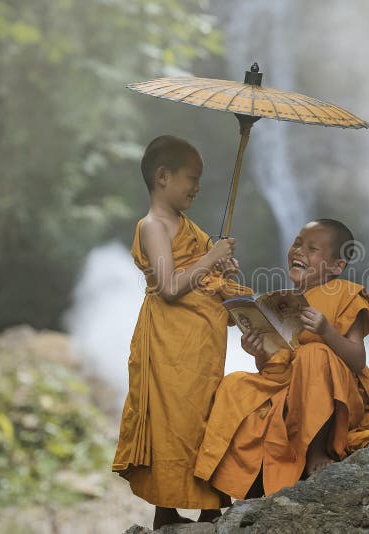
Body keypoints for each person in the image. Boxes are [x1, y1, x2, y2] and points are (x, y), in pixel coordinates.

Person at [195, 219, 369, 499]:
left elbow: (357, 360)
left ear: (336, 266)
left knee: (315, 352)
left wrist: (326, 330)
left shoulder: (347, 293)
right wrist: (259, 350)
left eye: (312, 249)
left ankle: (315, 450)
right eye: (297, 243)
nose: (299, 251)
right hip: (292, 389)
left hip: (338, 397)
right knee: (236, 385)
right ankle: (237, 484)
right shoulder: (289, 302)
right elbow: (279, 366)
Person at [112, 135, 249, 528]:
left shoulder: (188, 226)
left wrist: (220, 266)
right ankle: (166, 511)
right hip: (170, 341)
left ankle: (209, 506)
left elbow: (199, 274)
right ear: (162, 177)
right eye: (192, 178)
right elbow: (170, 286)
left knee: (204, 415)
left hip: (202, 341)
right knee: (173, 420)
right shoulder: (153, 226)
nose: (197, 187)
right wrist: (210, 257)